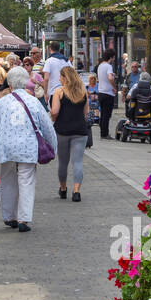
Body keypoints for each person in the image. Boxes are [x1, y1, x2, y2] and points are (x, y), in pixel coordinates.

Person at [0, 65, 56, 232]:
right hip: (28, 147)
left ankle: (9, 216)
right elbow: (47, 127)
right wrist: (53, 146)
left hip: (6, 147)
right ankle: (24, 219)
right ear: (26, 82)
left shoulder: (2, 103)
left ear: (9, 84)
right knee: (26, 181)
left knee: (8, 180)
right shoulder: (34, 102)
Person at [51, 66, 92, 202]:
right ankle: (76, 191)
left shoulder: (59, 92)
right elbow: (86, 113)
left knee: (63, 162)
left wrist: (53, 118)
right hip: (80, 130)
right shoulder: (83, 92)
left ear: (64, 77)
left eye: (60, 76)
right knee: (78, 162)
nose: (59, 79)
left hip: (62, 130)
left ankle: (63, 189)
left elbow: (55, 111)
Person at [96, 48, 118, 139]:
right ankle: (105, 134)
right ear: (111, 57)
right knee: (107, 115)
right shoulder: (109, 66)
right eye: (113, 58)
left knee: (103, 114)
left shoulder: (100, 66)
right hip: (108, 93)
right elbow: (109, 77)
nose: (114, 60)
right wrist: (114, 87)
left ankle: (102, 132)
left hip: (100, 92)